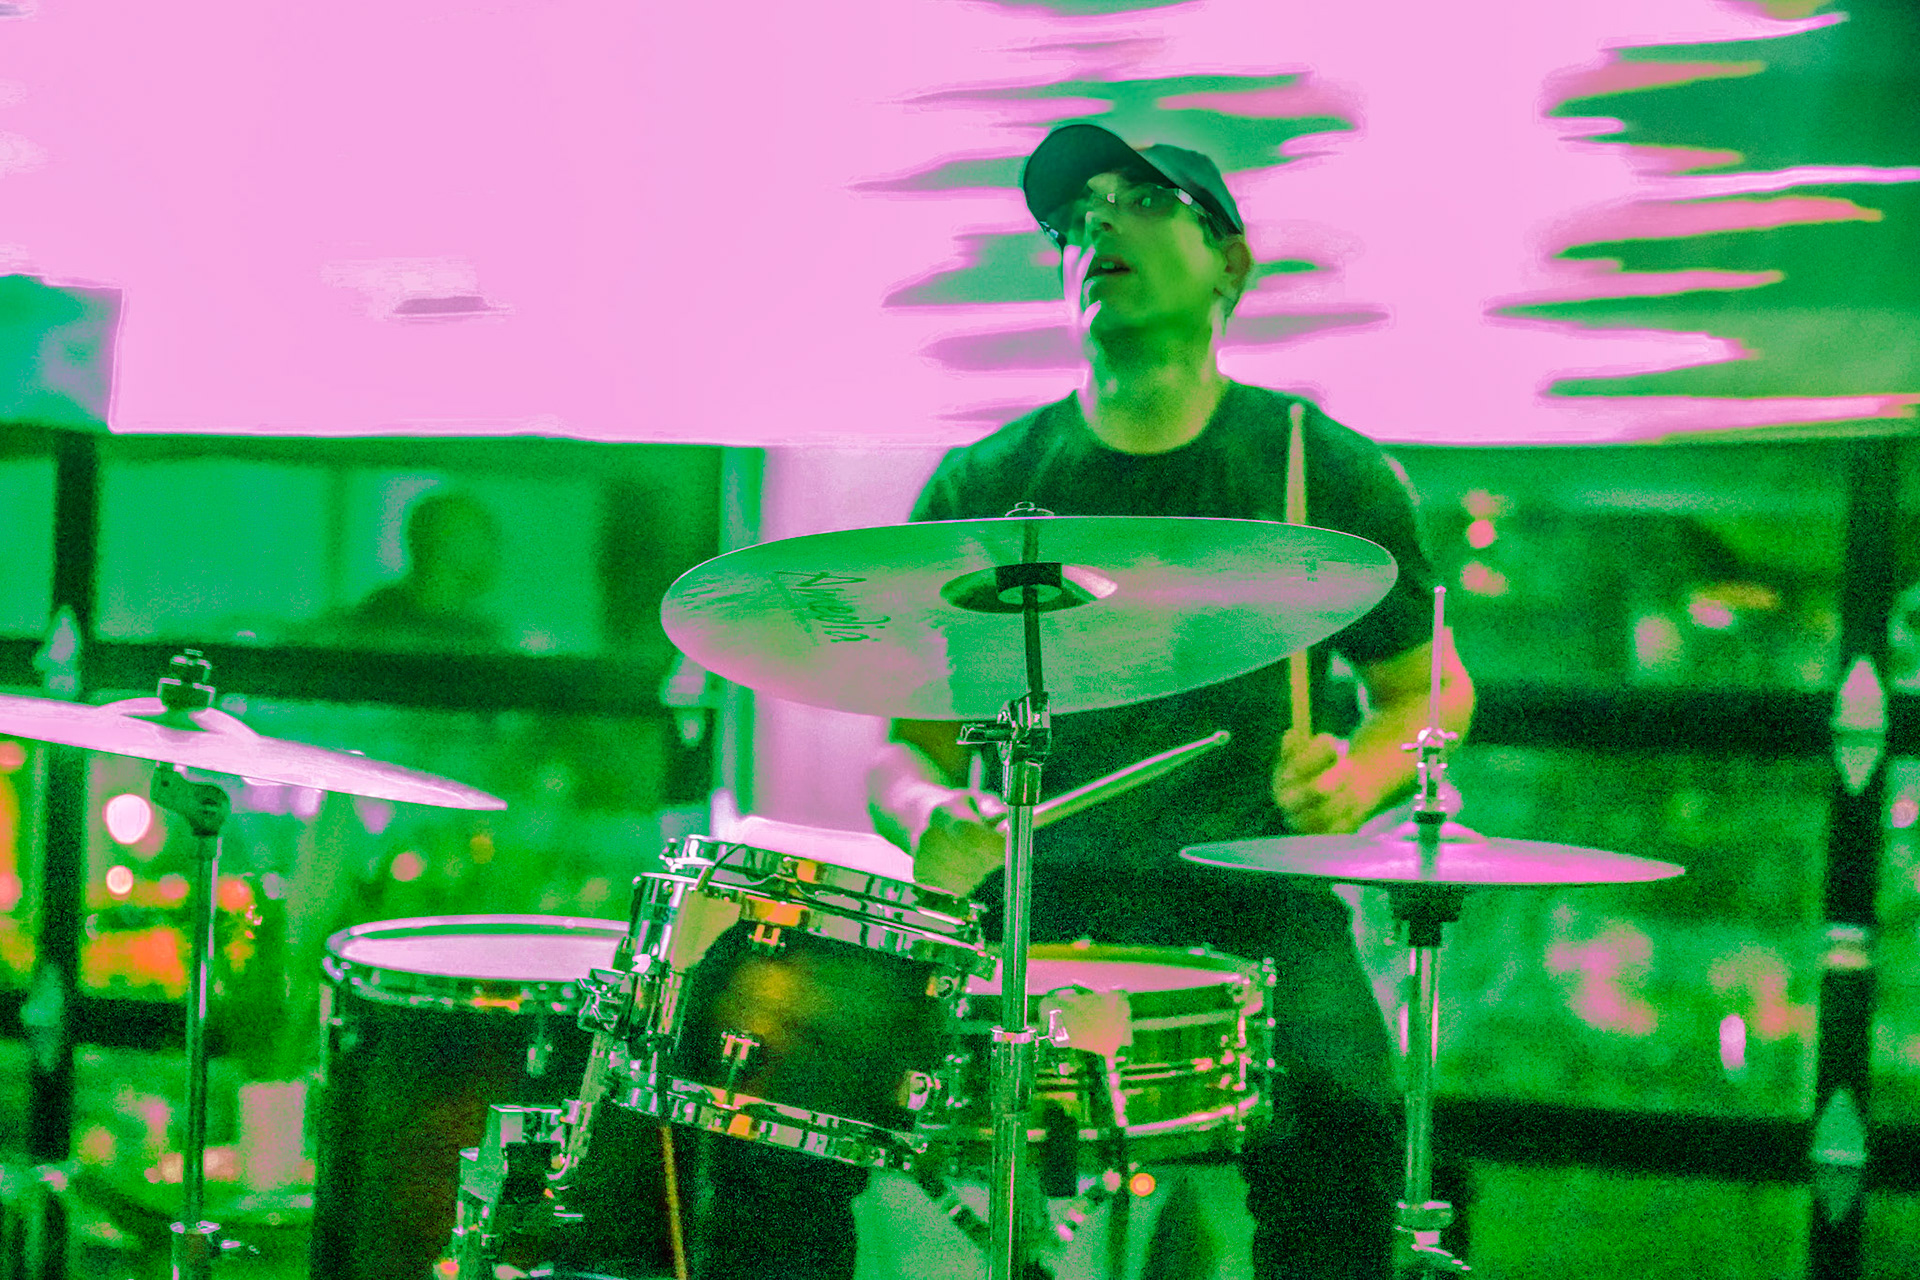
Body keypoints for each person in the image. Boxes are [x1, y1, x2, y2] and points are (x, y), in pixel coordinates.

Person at [693, 124, 1476, 1280]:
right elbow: (905, 751)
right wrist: (927, 815)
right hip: (1023, 899)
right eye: (1077, 216)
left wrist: (1358, 780)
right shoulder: (989, 484)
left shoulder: (1323, 469)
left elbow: (1429, 689)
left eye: (1144, 202)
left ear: (1230, 262)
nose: (1098, 224)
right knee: (770, 1094)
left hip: (1254, 900)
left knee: (1351, 1124)